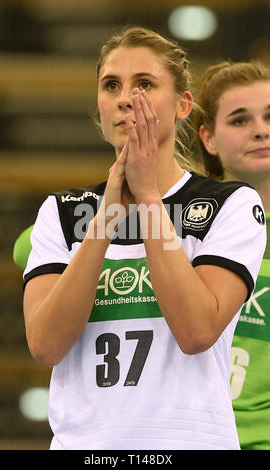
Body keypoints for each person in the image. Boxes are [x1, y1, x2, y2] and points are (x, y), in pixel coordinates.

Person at [22, 26, 266, 450]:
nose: (124, 98)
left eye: (145, 84)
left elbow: (196, 331)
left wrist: (149, 196)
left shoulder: (231, 204)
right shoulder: (61, 212)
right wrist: (106, 218)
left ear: (183, 105)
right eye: (111, 85)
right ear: (99, 107)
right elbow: (45, 345)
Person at [193, 60, 270, 450]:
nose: (261, 130)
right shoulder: (177, 218)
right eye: (240, 121)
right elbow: (29, 245)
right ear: (208, 138)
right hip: (187, 434)